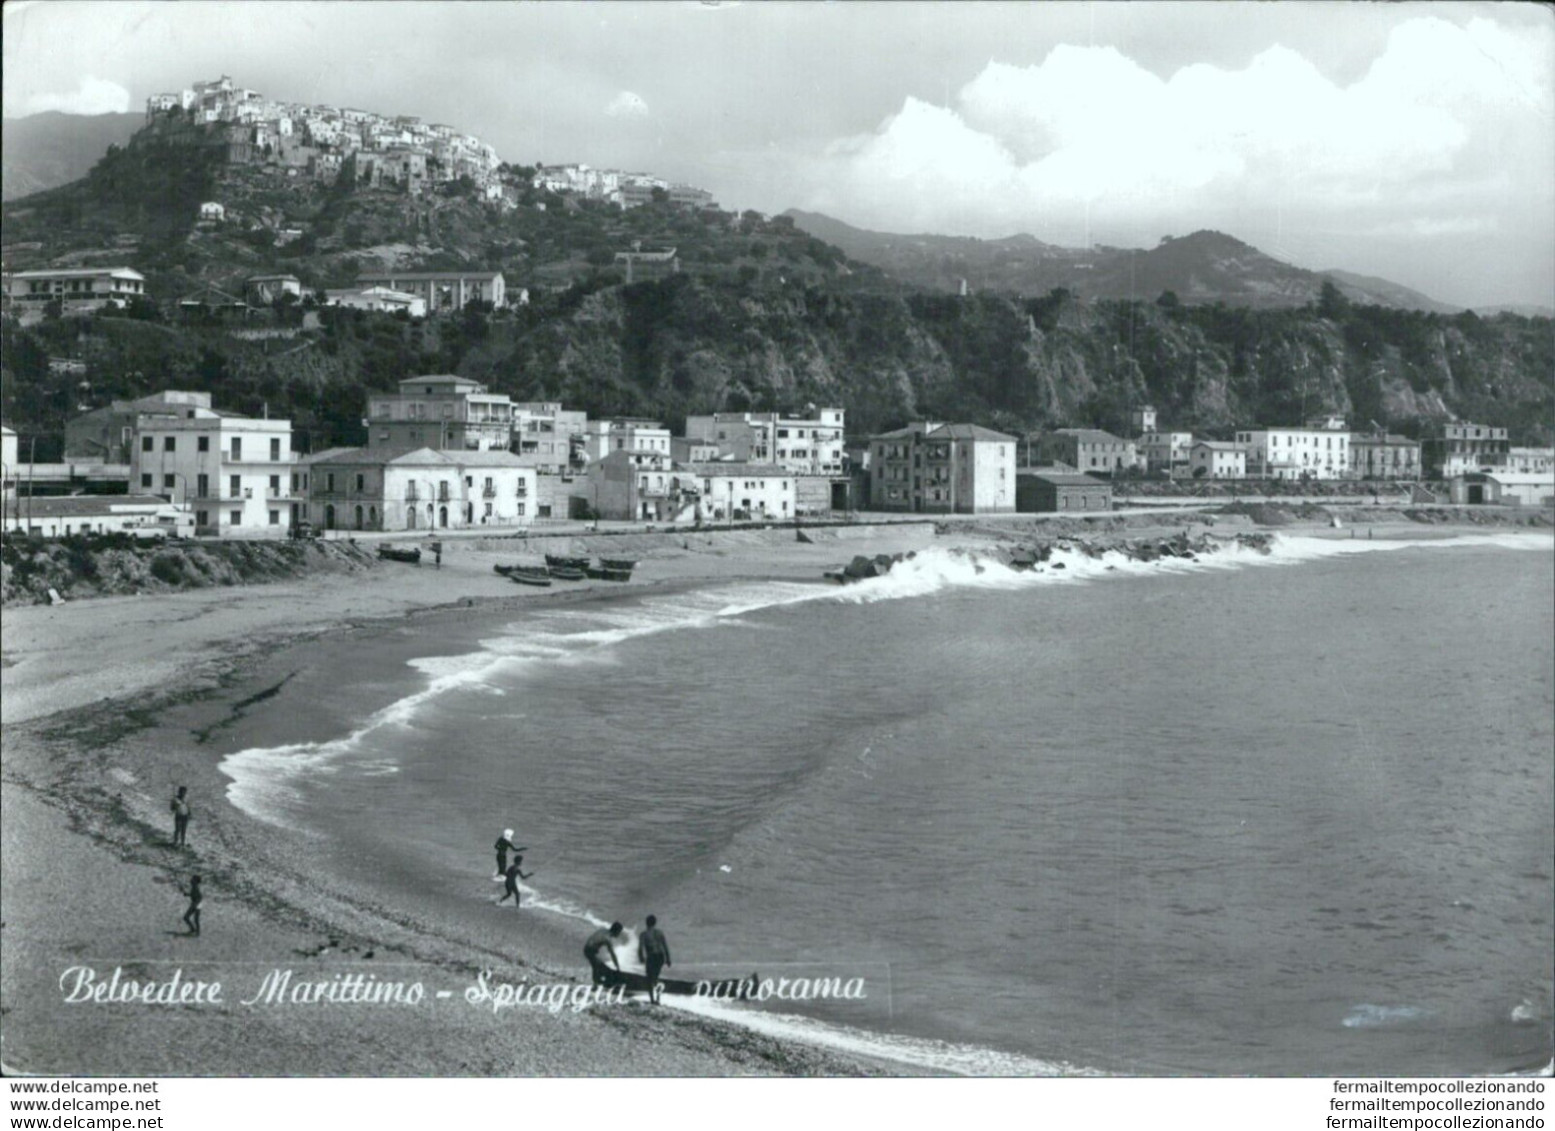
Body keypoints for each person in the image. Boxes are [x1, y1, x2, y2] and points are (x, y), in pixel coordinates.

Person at [637, 914, 672, 1004]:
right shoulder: (660, 933)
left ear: (646, 923)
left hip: (652, 957)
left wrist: (641, 957)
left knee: (650, 978)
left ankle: (653, 1000)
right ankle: (658, 998)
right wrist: (668, 959)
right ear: (655, 923)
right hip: (660, 956)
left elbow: (640, 948)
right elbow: (665, 946)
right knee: (656, 977)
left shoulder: (644, 934)